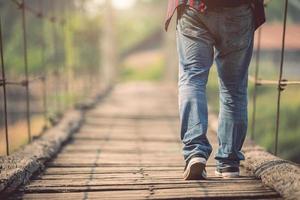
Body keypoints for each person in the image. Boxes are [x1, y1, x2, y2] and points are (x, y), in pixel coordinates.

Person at [165, 0, 265, 180]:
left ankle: (195, 151)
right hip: (238, 10)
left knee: (191, 78)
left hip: (194, 8)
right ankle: (228, 163)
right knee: (234, 88)